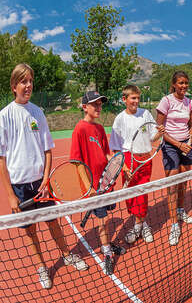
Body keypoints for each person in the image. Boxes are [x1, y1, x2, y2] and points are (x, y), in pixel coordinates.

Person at [0, 63, 88, 289]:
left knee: (53, 223)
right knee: (31, 231)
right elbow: (1, 159)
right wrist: (11, 195)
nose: (28, 85)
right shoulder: (4, 116)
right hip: (20, 186)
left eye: (30, 81)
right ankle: (42, 268)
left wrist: (46, 179)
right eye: (23, 81)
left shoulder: (38, 112)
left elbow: (48, 149)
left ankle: (67, 255)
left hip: (42, 183)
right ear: (14, 86)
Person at [70, 91, 125, 275]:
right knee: (102, 220)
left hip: (105, 183)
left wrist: (121, 167)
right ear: (84, 107)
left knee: (107, 217)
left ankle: (106, 243)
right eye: (95, 104)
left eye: (100, 104)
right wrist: (89, 188)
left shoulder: (100, 129)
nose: (98, 107)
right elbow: (77, 162)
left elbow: (107, 154)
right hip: (94, 187)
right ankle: (107, 253)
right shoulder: (79, 129)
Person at [109, 85, 164, 244]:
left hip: (145, 159)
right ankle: (142, 224)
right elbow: (115, 147)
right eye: (133, 98)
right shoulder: (120, 118)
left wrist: (159, 133)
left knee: (142, 192)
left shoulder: (145, 114)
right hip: (128, 159)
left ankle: (138, 226)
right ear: (124, 99)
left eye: (138, 98)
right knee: (131, 195)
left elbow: (152, 137)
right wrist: (124, 167)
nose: (136, 101)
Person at [156, 71, 192, 246]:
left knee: (183, 182)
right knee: (172, 185)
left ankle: (180, 210)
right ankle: (174, 225)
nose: (184, 86)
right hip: (170, 146)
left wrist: (190, 138)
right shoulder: (166, 101)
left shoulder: (190, 103)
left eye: (186, 83)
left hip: (186, 145)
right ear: (174, 84)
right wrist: (178, 145)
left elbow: (190, 124)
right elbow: (160, 129)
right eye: (180, 83)